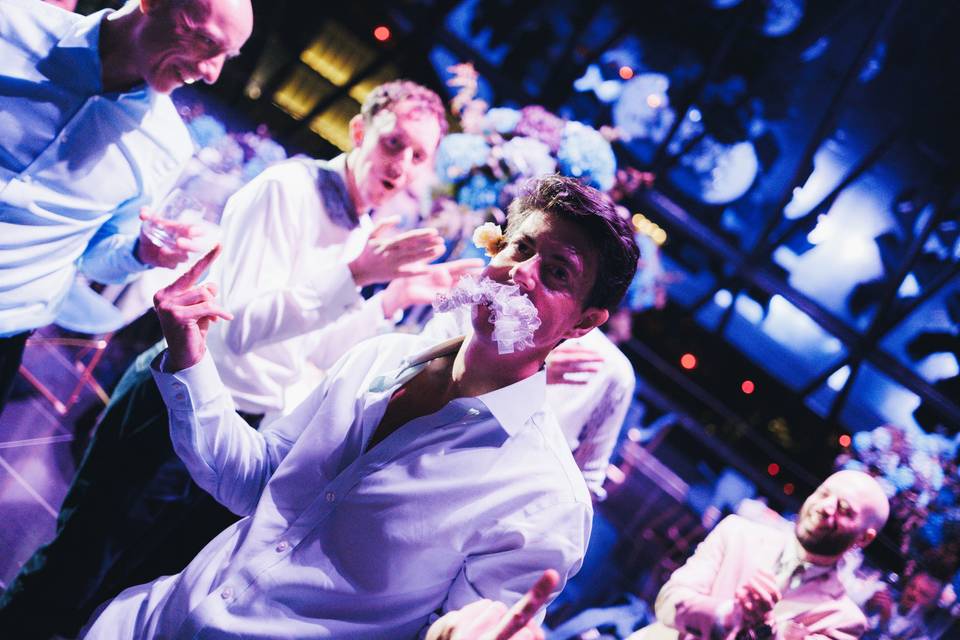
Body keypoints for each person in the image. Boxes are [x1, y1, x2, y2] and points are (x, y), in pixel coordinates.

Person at [0, 80, 478, 638]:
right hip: (179, 397)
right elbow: (239, 328)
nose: (402, 163)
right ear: (358, 132)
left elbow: (316, 353)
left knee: (135, 590)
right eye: (394, 143)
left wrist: (393, 299)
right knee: (75, 568)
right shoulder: (289, 188)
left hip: (244, 428)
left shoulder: (364, 231)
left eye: (419, 156)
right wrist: (356, 277)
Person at [81, 174, 640, 638]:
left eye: (557, 272)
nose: (521, 272)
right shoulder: (377, 359)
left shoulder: (545, 497)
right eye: (521, 247)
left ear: (585, 324)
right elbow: (255, 481)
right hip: (153, 619)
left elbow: (472, 627)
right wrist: (190, 357)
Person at [0, 0, 254, 417]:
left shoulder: (166, 146)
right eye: (208, 42)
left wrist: (141, 253)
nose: (212, 72)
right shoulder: (11, 27)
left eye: (225, 56)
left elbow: (96, 260)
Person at [629, 470, 890, 640]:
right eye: (824, 493)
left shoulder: (844, 619)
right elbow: (669, 602)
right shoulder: (737, 533)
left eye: (844, 509)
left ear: (863, 538)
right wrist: (728, 616)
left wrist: (766, 630)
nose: (825, 507)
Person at [864, 570, 951, 640]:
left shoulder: (920, 636)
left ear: (931, 606)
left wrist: (885, 623)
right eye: (912, 586)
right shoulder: (885, 600)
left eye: (923, 594)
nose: (913, 594)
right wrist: (867, 608)